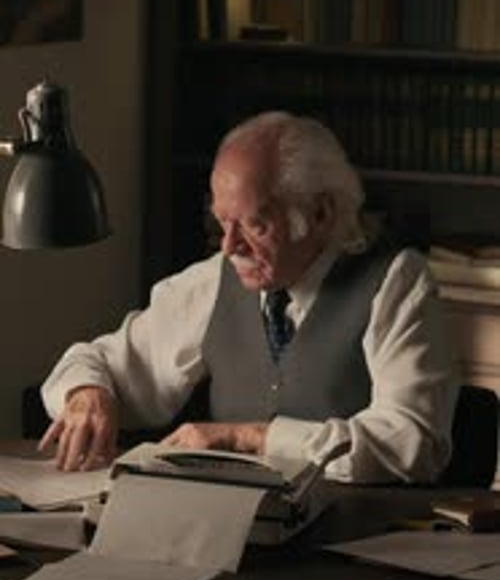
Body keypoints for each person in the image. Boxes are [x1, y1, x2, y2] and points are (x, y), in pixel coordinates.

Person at [39, 110, 459, 482]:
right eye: (222, 223)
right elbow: (95, 362)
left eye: (255, 225)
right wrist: (88, 394)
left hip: (354, 533)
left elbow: (413, 442)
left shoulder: (396, 282)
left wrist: (251, 438)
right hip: (231, 532)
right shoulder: (214, 281)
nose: (229, 246)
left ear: (320, 213)